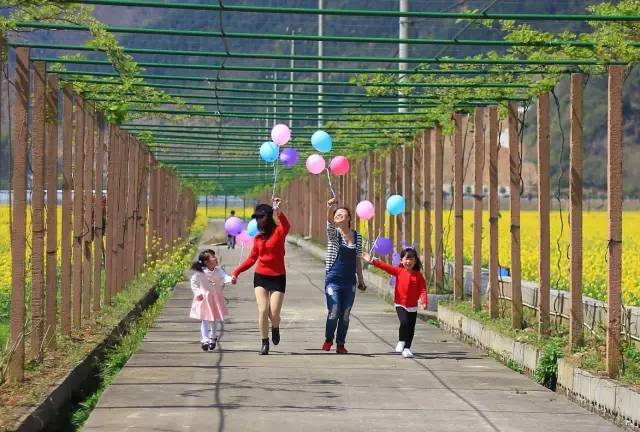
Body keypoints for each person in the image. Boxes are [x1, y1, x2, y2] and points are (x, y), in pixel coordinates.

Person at [231, 198, 289, 355]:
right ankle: (264, 342)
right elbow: (251, 259)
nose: (258, 220)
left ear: (269, 217)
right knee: (263, 310)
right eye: (256, 217)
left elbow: (286, 225)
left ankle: (275, 327)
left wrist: (279, 210)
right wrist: (236, 272)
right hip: (261, 277)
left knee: (274, 313)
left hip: (278, 277)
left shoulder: (279, 232)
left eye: (261, 216)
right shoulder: (257, 238)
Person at [362, 247, 427, 358]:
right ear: (401, 260)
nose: (409, 261)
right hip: (400, 304)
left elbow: (423, 290)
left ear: (415, 261)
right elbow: (385, 267)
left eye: (412, 259)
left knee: (411, 328)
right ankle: (401, 341)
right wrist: (372, 260)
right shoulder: (399, 271)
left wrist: (424, 301)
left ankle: (407, 349)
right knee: (404, 323)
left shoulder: (418, 276)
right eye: (406, 259)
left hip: (413, 306)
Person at [322, 197, 366, 354]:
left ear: (349, 218)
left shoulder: (357, 236)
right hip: (333, 280)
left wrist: (360, 280)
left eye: (342, 214)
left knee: (345, 314)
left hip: (349, 282)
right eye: (336, 215)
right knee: (334, 310)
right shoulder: (334, 236)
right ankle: (328, 339)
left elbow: (358, 260)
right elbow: (328, 224)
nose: (339, 216)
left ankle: (340, 343)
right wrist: (329, 207)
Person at [190, 249, 228, 351]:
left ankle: (213, 337)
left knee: (213, 319)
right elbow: (193, 282)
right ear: (206, 262)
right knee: (205, 319)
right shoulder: (201, 272)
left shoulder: (218, 271)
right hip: (205, 298)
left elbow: (225, 277)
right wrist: (197, 292)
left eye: (214, 256)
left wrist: (231, 279)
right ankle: (205, 339)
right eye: (212, 256)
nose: (215, 258)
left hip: (215, 299)